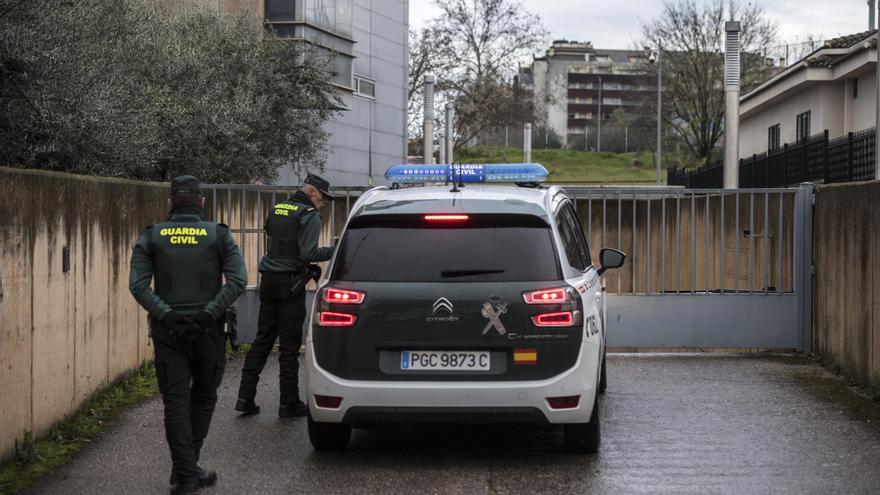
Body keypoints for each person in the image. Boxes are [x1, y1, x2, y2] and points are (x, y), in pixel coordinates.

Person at [129, 175, 247, 495]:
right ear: (201, 202)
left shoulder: (152, 236)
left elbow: (138, 285)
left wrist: (166, 314)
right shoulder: (218, 235)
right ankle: (187, 468)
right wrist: (208, 313)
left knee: (175, 401)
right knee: (205, 395)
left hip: (168, 332)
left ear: (171, 202)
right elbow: (238, 280)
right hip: (208, 330)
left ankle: (185, 471)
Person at [235, 173, 335, 418]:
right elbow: (307, 252)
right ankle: (289, 403)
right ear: (312, 192)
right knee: (289, 346)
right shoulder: (309, 215)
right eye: (322, 198)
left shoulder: (278, 208)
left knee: (262, 340)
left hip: (268, 280)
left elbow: (271, 232)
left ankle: (244, 398)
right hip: (290, 283)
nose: (323, 203)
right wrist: (335, 250)